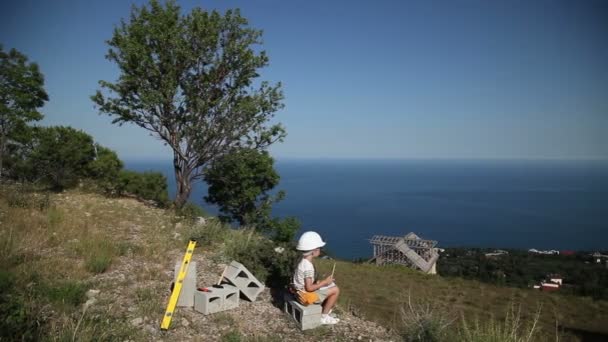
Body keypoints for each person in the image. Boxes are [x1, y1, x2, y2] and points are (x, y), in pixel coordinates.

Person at [292, 231, 340, 325]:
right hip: (305, 298)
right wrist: (325, 282)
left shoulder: (302, 262)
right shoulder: (308, 266)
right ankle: (324, 316)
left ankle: (325, 309)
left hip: (298, 294)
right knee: (335, 290)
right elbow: (309, 288)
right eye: (319, 248)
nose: (320, 250)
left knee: (330, 285)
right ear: (314, 251)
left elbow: (305, 282)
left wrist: (320, 283)